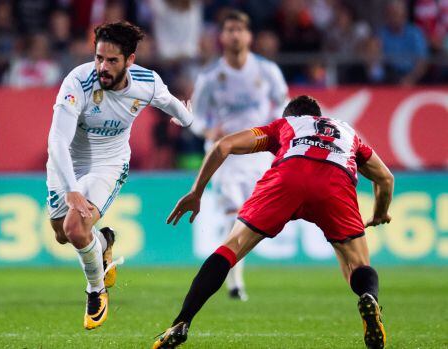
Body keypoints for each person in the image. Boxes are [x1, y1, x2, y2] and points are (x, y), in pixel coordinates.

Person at [152, 95, 393, 349]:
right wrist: (380, 212)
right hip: (335, 182)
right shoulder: (348, 132)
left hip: (287, 177)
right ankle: (368, 296)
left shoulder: (283, 125)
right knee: (357, 263)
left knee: (232, 247)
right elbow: (385, 179)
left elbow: (223, 146)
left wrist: (196, 192)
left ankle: (181, 322)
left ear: (290, 116)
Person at [46, 21, 193, 330]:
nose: (103, 66)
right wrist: (71, 188)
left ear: (130, 61)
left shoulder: (147, 83)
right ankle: (103, 241)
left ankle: (96, 291)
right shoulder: (78, 82)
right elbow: (57, 140)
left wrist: (186, 119)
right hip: (67, 162)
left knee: (75, 227)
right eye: (99, 58)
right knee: (62, 234)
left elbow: (172, 105)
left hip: (108, 163)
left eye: (112, 60)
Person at [189, 10, 288, 301]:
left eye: (239, 29)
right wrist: (207, 131)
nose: (234, 35)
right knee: (235, 213)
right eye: (229, 29)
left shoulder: (266, 71)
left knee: (252, 216)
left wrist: (274, 130)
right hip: (227, 153)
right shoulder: (210, 76)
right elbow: (193, 116)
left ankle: (234, 279)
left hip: (258, 152)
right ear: (221, 37)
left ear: (249, 36)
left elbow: (283, 104)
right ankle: (235, 283)